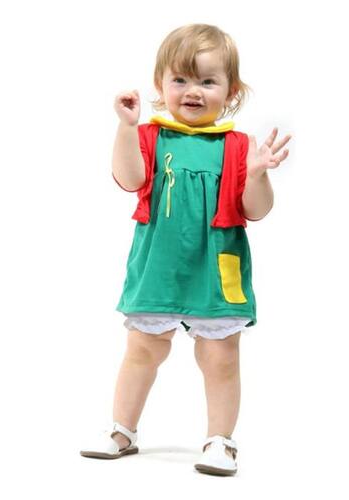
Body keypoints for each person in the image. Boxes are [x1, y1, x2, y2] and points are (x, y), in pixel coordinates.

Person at [80, 23, 292, 476]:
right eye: (180, 79)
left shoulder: (237, 145)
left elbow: (256, 210)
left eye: (207, 81)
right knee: (142, 350)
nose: (193, 90)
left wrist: (258, 175)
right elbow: (130, 179)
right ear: (160, 85)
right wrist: (126, 128)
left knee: (221, 357)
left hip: (216, 269)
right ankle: (122, 430)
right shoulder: (151, 137)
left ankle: (220, 440)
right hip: (158, 267)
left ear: (231, 92)